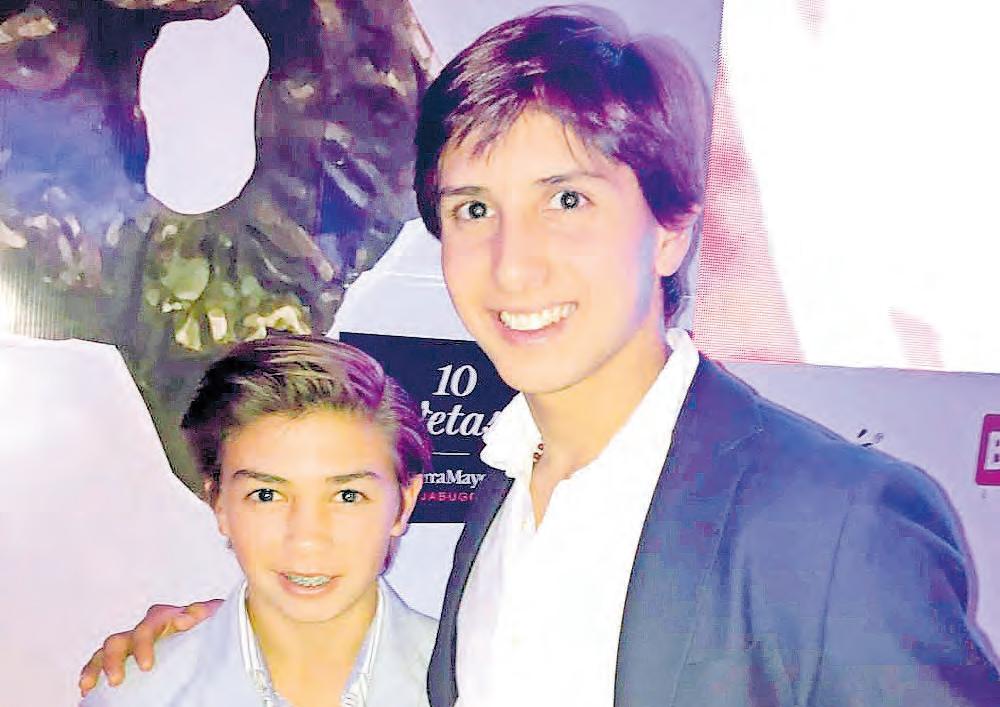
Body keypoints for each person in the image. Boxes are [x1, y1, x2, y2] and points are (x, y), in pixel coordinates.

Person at [80, 6, 1000, 706]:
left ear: (673, 228)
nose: (512, 264)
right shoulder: (497, 503)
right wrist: (212, 643)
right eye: (474, 208)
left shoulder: (837, 523)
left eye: (567, 200)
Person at [82, 335, 436, 706]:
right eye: (267, 495)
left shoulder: (471, 681)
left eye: (347, 496)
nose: (306, 539)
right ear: (219, 503)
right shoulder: (137, 696)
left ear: (403, 504)